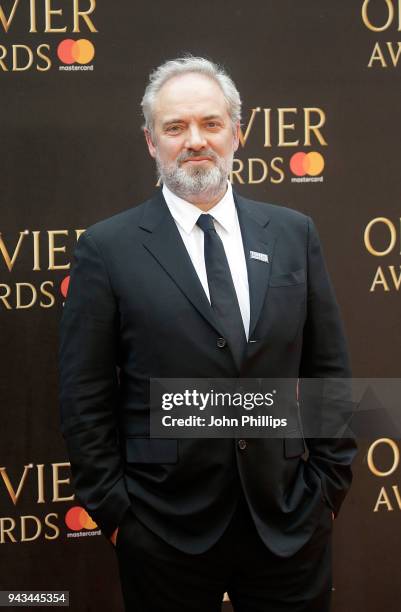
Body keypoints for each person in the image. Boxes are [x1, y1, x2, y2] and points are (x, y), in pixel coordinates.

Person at [59, 56, 357, 612]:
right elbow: (85, 396)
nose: (195, 140)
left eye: (210, 123)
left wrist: (328, 491)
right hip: (163, 528)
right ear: (151, 142)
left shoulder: (295, 234)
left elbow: (327, 371)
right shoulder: (108, 247)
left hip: (288, 521)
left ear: (237, 133)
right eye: (175, 127)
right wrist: (119, 517)